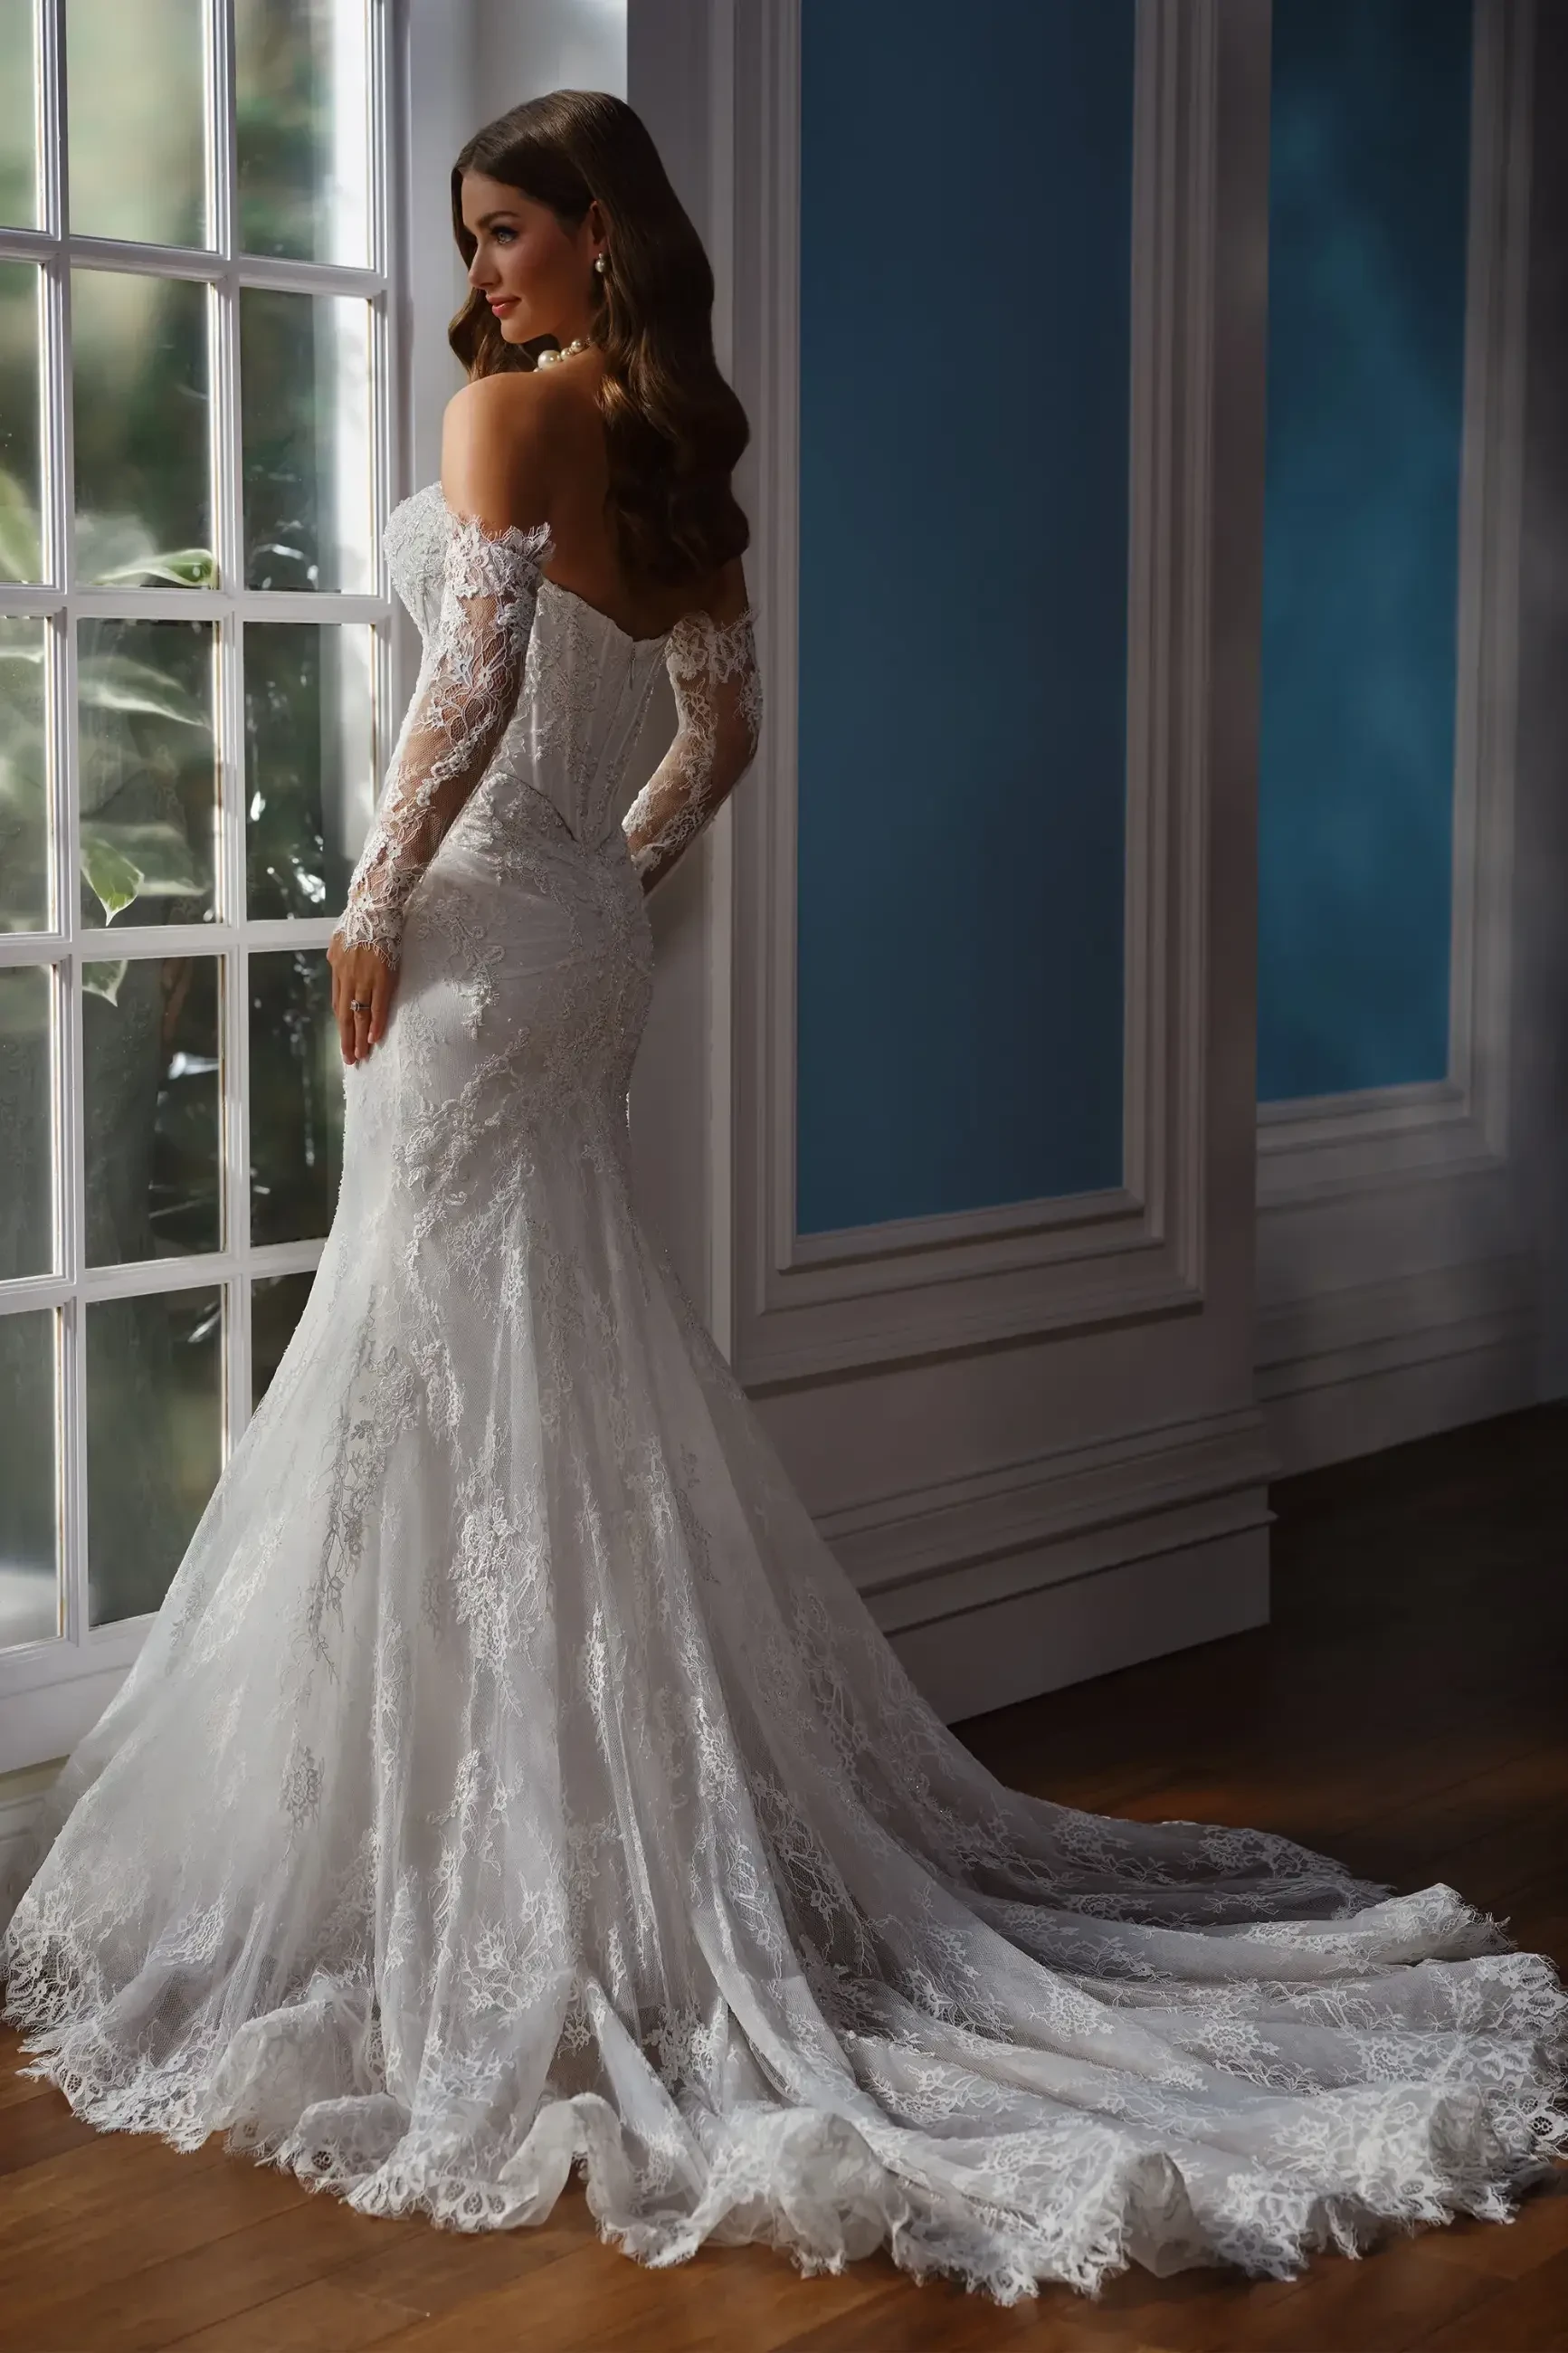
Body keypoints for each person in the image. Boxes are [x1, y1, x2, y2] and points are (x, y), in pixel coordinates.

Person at [3, 90, 1563, 2306]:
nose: (482, 270)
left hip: (473, 939)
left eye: (508, 230)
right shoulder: (668, 454)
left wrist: (376, 894)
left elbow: (468, 678)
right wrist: (602, 878)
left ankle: (439, 1863)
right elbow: (717, 733)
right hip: (569, 939)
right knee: (534, 1350)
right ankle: (517, 1842)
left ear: (595, 236)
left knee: (429, 1359)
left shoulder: (508, 423)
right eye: (471, 234)